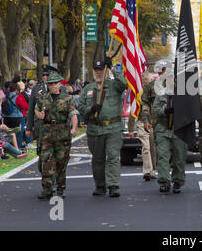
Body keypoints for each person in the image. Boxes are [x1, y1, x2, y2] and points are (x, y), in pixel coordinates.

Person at [78, 58, 127, 198]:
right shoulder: (88, 89)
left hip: (113, 128)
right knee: (98, 159)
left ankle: (113, 185)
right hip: (95, 129)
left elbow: (123, 84)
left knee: (112, 156)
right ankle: (100, 185)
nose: (99, 73)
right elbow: (81, 107)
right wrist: (90, 109)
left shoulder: (113, 85)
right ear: (93, 72)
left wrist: (113, 69)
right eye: (96, 70)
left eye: (101, 70)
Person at [35, 72, 78, 199]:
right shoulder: (42, 98)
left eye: (55, 83)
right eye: (50, 83)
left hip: (62, 133)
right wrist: (39, 115)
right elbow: (36, 109)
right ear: (47, 85)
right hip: (47, 134)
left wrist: (74, 128)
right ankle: (47, 188)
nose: (53, 85)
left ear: (60, 84)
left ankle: (60, 188)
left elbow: (73, 114)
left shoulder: (67, 98)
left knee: (61, 162)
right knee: (46, 161)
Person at [152, 91, 187, 194]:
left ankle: (177, 181)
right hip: (163, 129)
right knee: (163, 155)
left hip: (179, 128)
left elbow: (189, 110)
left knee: (179, 157)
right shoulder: (161, 94)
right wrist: (165, 110)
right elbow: (155, 109)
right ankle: (164, 182)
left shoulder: (183, 93)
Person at [128, 69, 158, 181]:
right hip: (141, 122)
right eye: (148, 80)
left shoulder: (155, 92)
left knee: (152, 148)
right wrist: (130, 129)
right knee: (145, 147)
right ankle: (147, 171)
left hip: (153, 122)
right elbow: (133, 112)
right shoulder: (139, 95)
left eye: (151, 80)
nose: (150, 82)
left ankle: (153, 170)